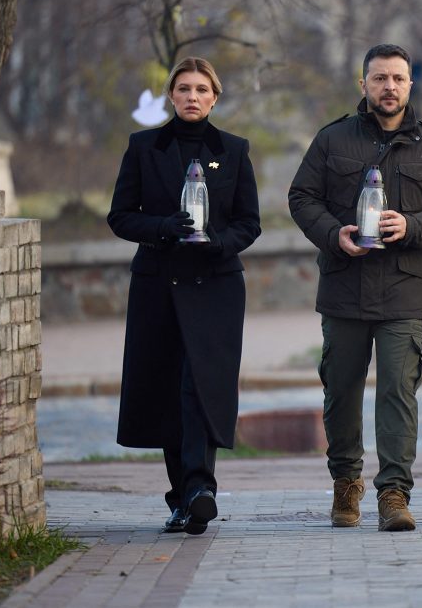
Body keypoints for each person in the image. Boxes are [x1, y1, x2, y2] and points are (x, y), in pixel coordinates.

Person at [288, 43, 422, 531]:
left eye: (397, 78)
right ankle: (346, 485)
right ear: (363, 84)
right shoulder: (332, 140)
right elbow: (301, 196)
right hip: (344, 286)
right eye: (379, 78)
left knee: (397, 391)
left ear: (411, 85)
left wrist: (411, 226)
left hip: (404, 289)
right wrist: (334, 233)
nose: (389, 87)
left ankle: (394, 495)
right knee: (341, 392)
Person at [107, 57, 261, 535]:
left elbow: (249, 223)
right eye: (183, 89)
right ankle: (182, 496)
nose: (192, 97)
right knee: (167, 389)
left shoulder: (234, 150)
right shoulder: (143, 147)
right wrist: (161, 228)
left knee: (201, 386)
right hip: (158, 284)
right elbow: (120, 216)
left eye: (202, 89)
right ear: (170, 95)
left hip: (215, 285)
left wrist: (218, 242)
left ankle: (200, 488)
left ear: (215, 97)